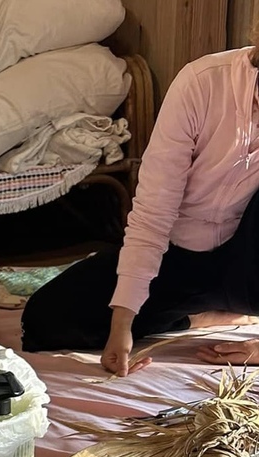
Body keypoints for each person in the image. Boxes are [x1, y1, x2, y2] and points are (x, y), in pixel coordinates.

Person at [20, 35, 259, 376]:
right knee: (46, 318)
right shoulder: (202, 83)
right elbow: (153, 212)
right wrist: (122, 324)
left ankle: (228, 307)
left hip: (248, 264)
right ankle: (202, 316)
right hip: (177, 254)